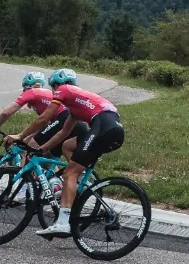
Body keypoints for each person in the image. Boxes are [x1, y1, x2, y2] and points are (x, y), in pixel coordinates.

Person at [9, 70, 126, 241]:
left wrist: (20, 136)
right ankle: (80, 186)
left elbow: (44, 118)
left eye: (53, 87)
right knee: (67, 146)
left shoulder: (63, 90)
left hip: (103, 127)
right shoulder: (76, 105)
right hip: (113, 129)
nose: (54, 92)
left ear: (56, 86)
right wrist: (41, 150)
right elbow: (63, 133)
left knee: (70, 173)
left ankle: (63, 223)